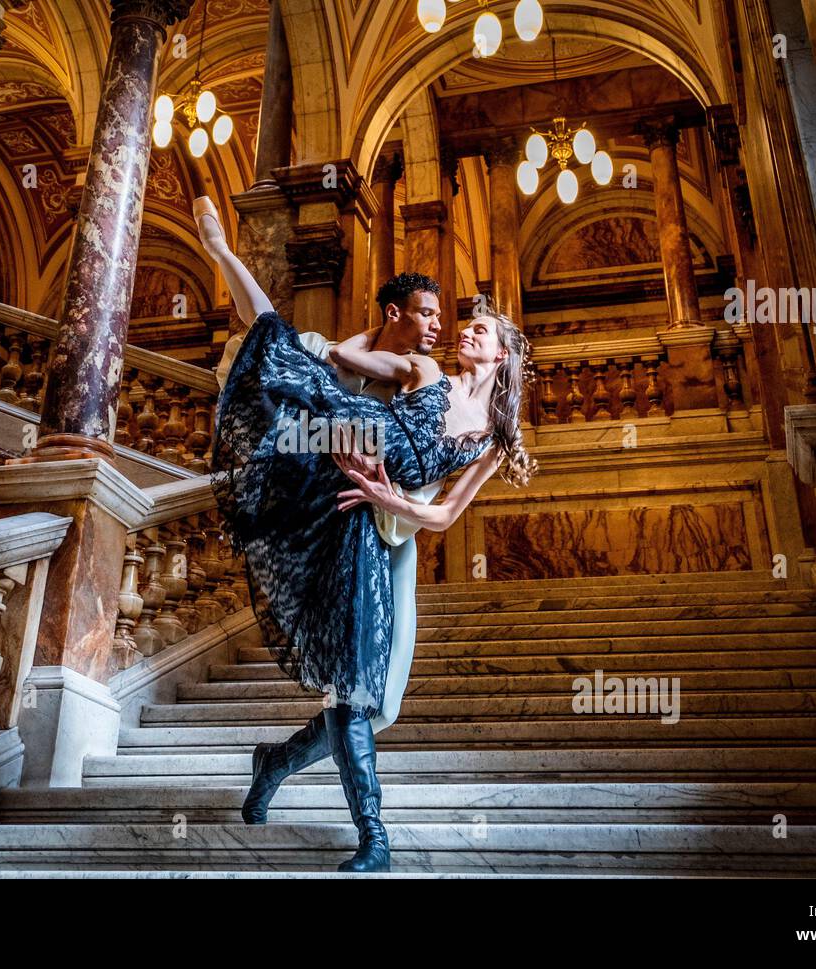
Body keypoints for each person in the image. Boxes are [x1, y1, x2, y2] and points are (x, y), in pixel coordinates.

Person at [196, 196, 536, 872]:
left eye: (474, 328)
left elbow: (442, 516)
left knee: (360, 691)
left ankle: (281, 764)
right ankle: (223, 252)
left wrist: (388, 494)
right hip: (341, 436)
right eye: (453, 321)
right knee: (284, 347)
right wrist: (329, 353)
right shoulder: (426, 371)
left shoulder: (494, 440)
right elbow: (349, 365)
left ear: (501, 353)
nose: (458, 331)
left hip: (367, 509)